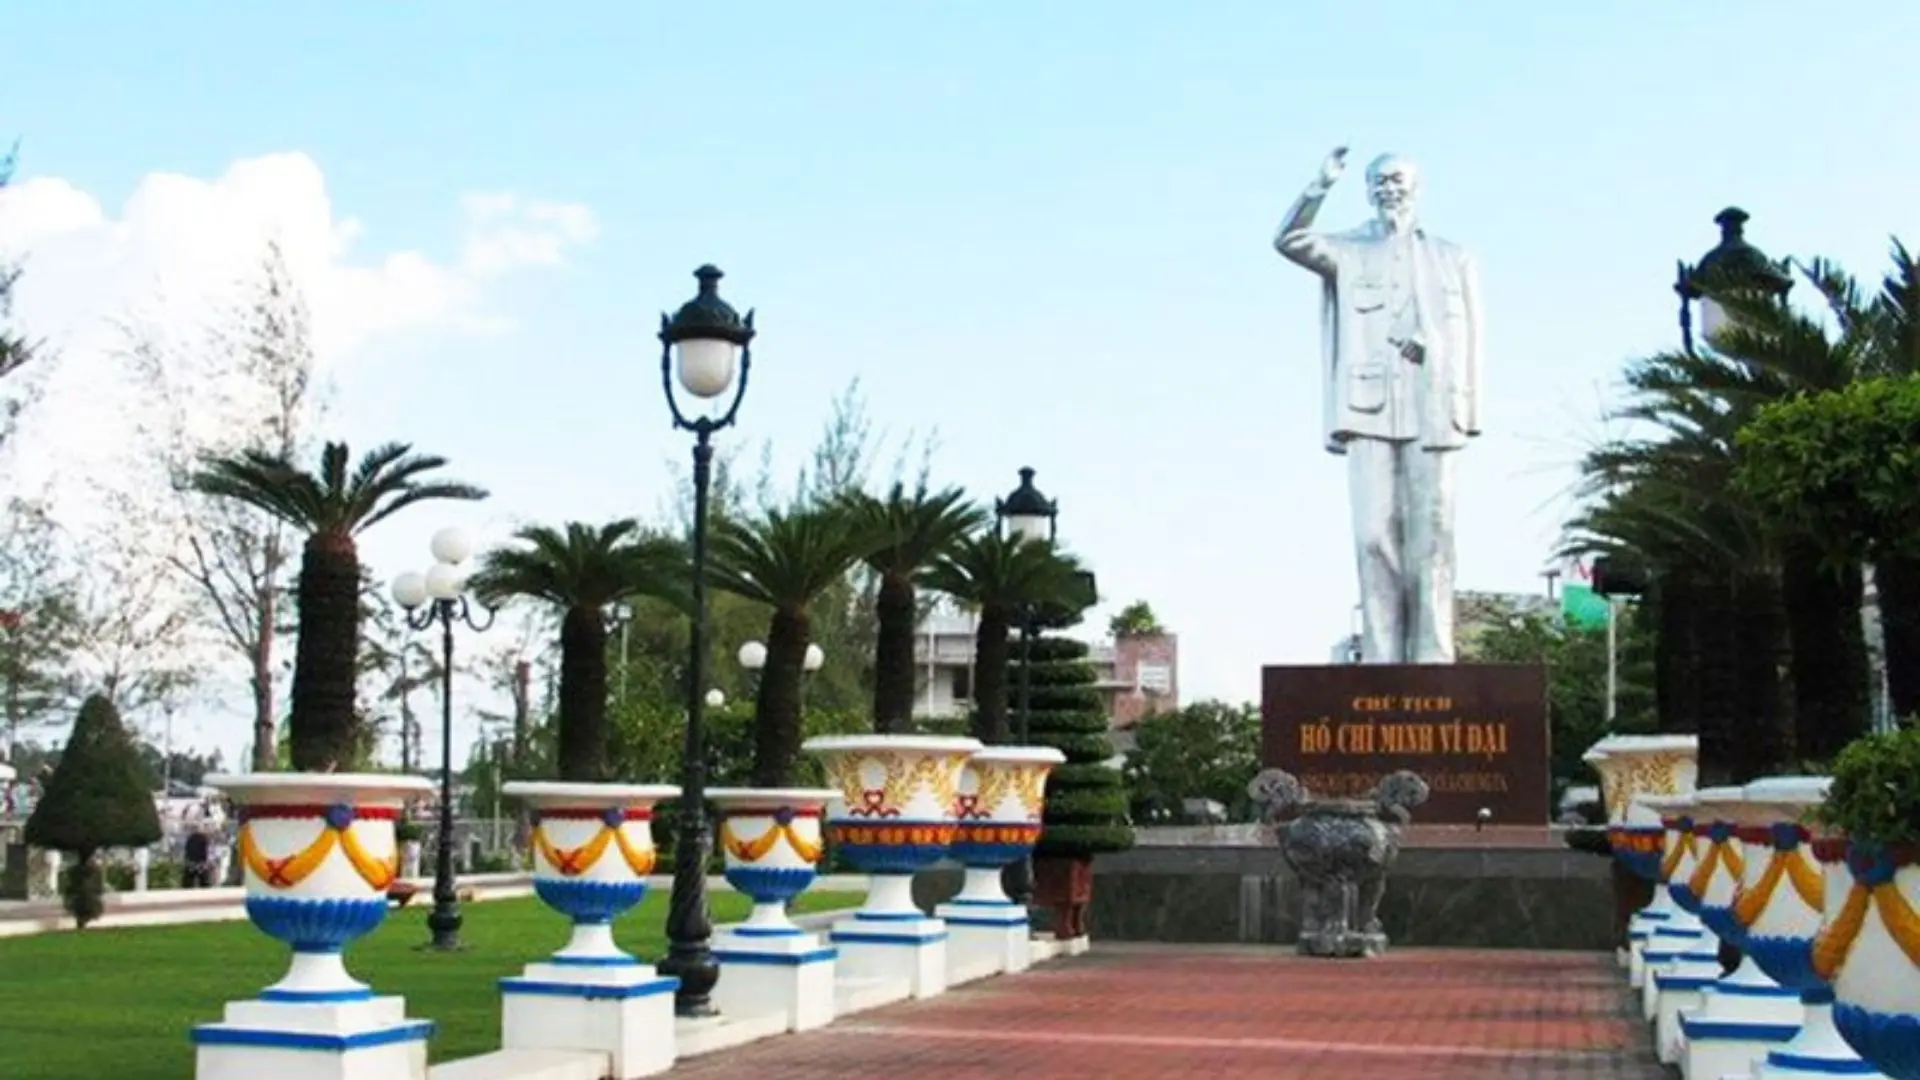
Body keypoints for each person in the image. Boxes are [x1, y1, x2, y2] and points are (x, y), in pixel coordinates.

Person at [1272, 146, 1485, 664]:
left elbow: (1473, 336)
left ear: (1417, 187)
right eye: (1381, 181)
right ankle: (1382, 653)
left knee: (1433, 536)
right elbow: (1289, 240)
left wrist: (1469, 406)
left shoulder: (1453, 256)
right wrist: (1319, 186)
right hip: (1368, 407)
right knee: (1373, 534)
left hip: (1434, 405)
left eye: (1399, 179)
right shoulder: (1348, 249)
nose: (1391, 188)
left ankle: (1434, 652)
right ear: (1368, 190)